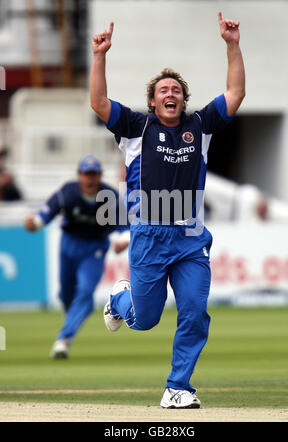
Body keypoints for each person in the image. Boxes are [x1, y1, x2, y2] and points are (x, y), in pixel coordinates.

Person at [90, 12, 245, 408]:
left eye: (175, 88)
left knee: (194, 311)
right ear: (153, 99)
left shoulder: (201, 126)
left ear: (183, 98)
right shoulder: (136, 129)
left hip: (191, 237)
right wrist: (100, 56)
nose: (170, 92)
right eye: (163, 89)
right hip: (149, 235)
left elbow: (235, 94)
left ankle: (178, 387)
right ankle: (119, 301)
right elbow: (98, 102)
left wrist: (232, 45)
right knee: (146, 319)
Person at [24, 155, 129, 359]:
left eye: (94, 174)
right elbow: (44, 215)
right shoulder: (68, 193)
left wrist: (123, 240)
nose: (90, 179)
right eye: (86, 174)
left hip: (95, 248)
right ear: (79, 175)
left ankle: (63, 339)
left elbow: (125, 227)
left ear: (99, 176)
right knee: (65, 295)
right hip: (69, 246)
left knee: (85, 289)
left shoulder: (109, 196)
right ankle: (82, 308)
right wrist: (33, 224)